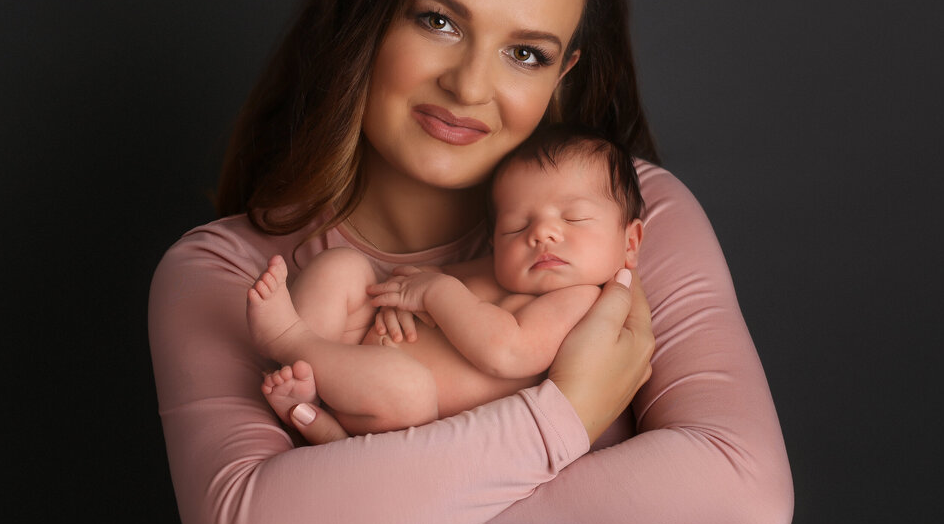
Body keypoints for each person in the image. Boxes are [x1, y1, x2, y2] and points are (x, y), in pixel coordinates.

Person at [149, 0, 793, 524]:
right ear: (363, 16)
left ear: (563, 76)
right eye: (439, 22)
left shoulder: (624, 220)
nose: (468, 85)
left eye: (525, 52)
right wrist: (566, 417)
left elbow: (746, 504)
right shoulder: (226, 275)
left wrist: (350, 496)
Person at [249, 127, 646, 436]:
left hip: (402, 414)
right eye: (516, 226)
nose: (541, 234)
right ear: (494, 238)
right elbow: (423, 280)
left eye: (573, 218)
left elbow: (508, 351)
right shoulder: (493, 269)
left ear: (630, 242)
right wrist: (402, 298)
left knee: (408, 387)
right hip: (354, 349)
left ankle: (287, 338)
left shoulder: (583, 301)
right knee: (343, 266)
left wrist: (437, 294)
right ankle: (307, 385)